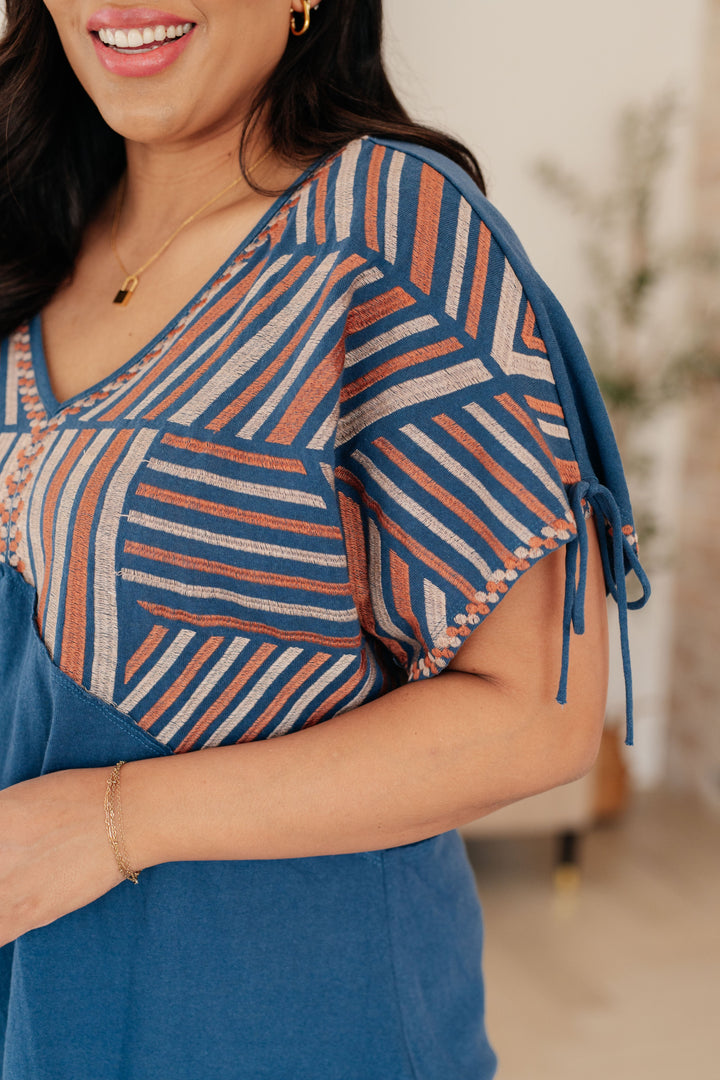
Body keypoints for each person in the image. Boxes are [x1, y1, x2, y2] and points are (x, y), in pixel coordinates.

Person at [0, 1, 650, 1077]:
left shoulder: (391, 232)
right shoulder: (33, 228)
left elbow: (537, 714)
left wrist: (108, 821)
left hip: (278, 1014)